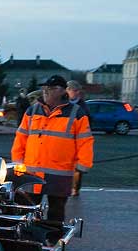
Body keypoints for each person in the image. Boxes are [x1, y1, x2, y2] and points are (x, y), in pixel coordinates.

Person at [11, 75, 94, 223]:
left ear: (62, 91)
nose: (46, 91)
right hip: (32, 172)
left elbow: (85, 141)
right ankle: (29, 240)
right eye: (45, 88)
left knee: (56, 212)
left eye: (51, 88)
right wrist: (17, 160)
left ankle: (53, 240)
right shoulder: (33, 110)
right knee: (27, 209)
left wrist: (82, 165)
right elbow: (21, 137)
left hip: (60, 172)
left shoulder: (76, 113)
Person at [66, 80, 92, 197]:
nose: (76, 93)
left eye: (78, 91)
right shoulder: (63, 104)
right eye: (74, 90)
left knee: (78, 167)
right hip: (66, 140)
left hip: (78, 138)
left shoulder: (82, 106)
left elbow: (88, 121)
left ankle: (75, 188)